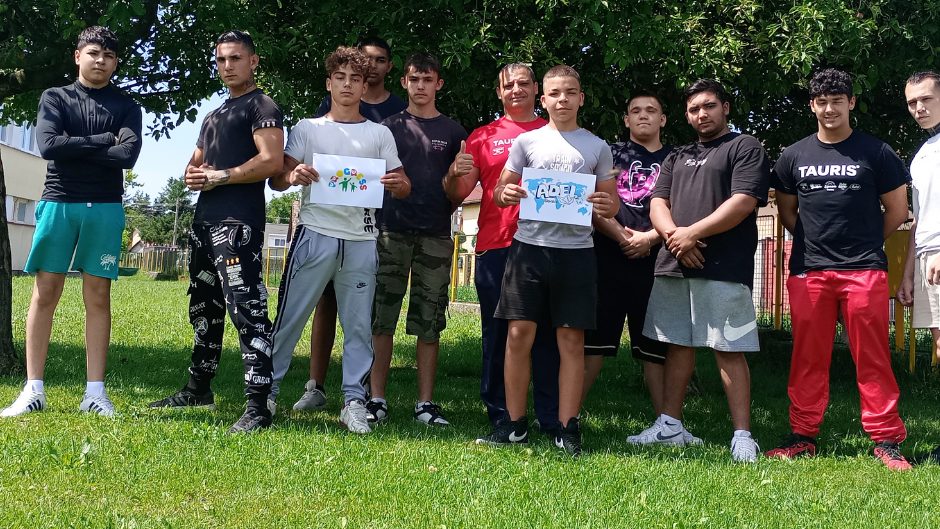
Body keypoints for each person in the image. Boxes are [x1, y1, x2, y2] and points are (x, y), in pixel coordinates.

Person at [764, 69, 911, 469]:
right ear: (812, 105)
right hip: (809, 271)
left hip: (864, 270)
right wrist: (817, 242)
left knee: (873, 357)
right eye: (822, 102)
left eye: (837, 101)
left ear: (851, 103)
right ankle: (802, 437)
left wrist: (865, 242)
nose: (829, 109)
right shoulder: (793, 156)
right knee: (808, 358)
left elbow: (897, 211)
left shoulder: (877, 152)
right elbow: (787, 212)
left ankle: (887, 440)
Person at [267, 46, 409, 434]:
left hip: (362, 241)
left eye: (355, 79)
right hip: (314, 235)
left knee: (359, 327)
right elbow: (278, 179)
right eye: (340, 77)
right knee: (289, 319)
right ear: (329, 83)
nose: (347, 84)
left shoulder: (379, 133)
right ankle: (266, 394)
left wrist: (397, 184)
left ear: (365, 86)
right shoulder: (307, 128)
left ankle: (354, 402)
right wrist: (292, 176)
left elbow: (403, 183)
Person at [148, 30, 285, 435]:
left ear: (253, 61)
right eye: (221, 59)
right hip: (204, 223)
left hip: (237, 226)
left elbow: (272, 161)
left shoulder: (262, 106)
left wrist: (220, 176)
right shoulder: (214, 115)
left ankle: (258, 407)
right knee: (204, 309)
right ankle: (198, 389)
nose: (227, 66)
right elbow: (195, 165)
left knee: (247, 311)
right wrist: (193, 175)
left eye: (235, 58)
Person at [1, 26, 142, 418]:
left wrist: (74, 145)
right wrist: (104, 140)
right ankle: (33, 389)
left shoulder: (127, 105)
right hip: (59, 202)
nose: (101, 60)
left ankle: (95, 393)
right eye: (94, 52)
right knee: (45, 292)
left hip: (106, 205)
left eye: (109, 56)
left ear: (116, 63)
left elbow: (128, 156)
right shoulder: (55, 97)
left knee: (98, 296)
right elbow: (49, 146)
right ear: (78, 56)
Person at [478, 65, 617, 457]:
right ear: (544, 99)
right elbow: (502, 190)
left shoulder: (597, 146)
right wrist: (505, 195)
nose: (562, 99)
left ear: (581, 98)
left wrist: (606, 203)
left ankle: (567, 427)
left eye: (570, 92)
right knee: (517, 335)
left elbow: (611, 203)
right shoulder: (527, 142)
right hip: (528, 250)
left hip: (577, 253)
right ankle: (514, 425)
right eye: (555, 93)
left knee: (571, 340)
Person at [628, 79, 769, 463]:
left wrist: (692, 234)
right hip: (673, 265)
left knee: (728, 348)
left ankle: (743, 436)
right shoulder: (678, 155)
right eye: (694, 109)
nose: (701, 114)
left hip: (724, 267)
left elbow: (743, 202)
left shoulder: (745, 147)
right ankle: (670, 426)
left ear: (725, 107)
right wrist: (676, 238)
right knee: (677, 345)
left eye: (709, 106)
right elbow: (658, 203)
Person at [443, 63, 562, 435]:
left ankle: (550, 416)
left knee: (547, 334)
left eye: (524, 83)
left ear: (536, 89)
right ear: (499, 92)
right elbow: (458, 194)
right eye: (508, 85)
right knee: (497, 335)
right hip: (497, 246)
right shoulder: (483, 136)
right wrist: (452, 173)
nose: (516, 90)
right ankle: (501, 415)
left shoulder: (556, 132)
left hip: (548, 245)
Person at [367, 53, 468, 425]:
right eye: (414, 79)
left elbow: (459, 192)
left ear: (438, 83)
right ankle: (376, 399)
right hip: (390, 231)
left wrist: (454, 177)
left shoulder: (454, 132)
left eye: (428, 79)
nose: (421, 86)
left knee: (430, 321)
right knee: (381, 318)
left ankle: (425, 404)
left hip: (437, 234)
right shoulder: (386, 128)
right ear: (404, 82)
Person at [581, 92, 673, 418]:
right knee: (592, 347)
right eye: (635, 111)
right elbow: (589, 202)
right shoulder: (607, 153)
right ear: (626, 120)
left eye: (651, 110)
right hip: (606, 260)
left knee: (655, 352)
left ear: (663, 119)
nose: (643, 116)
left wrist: (650, 238)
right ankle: (565, 419)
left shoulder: (676, 159)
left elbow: (684, 208)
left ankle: (667, 425)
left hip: (658, 263)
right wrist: (623, 236)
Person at [899, 70, 940, 465]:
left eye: (926, 99)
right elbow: (919, 218)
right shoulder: (924, 152)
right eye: (912, 102)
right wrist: (908, 272)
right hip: (927, 256)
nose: (919, 108)